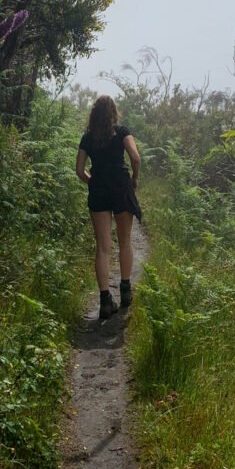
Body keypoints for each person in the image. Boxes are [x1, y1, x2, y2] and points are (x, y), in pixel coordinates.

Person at [76, 95, 142, 321]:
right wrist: (134, 180)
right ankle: (125, 290)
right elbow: (136, 158)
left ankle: (105, 300)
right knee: (125, 241)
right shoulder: (122, 131)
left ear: (93, 114)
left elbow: (79, 170)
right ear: (113, 112)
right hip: (121, 187)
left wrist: (92, 182)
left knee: (103, 247)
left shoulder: (87, 138)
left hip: (99, 191)